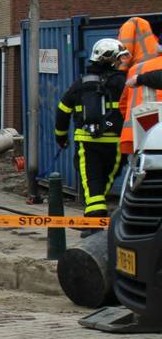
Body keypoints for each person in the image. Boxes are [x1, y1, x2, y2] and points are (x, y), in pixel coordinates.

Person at [56, 38, 129, 218]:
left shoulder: (80, 84)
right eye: (118, 58)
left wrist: (61, 137)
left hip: (87, 142)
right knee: (103, 185)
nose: (120, 62)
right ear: (111, 59)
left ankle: (92, 225)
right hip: (115, 143)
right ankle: (95, 222)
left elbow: (62, 111)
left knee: (92, 187)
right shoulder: (124, 83)